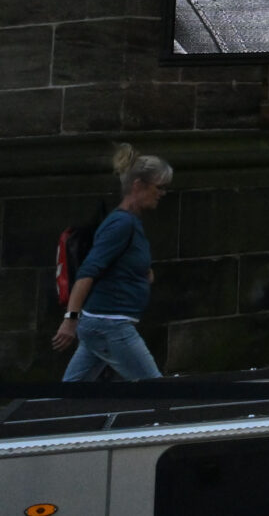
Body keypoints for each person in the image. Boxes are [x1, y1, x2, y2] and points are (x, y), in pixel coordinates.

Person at [55, 146, 174, 381]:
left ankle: (45, 416)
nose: (162, 193)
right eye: (159, 187)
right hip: (110, 325)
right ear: (138, 185)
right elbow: (87, 272)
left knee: (70, 393)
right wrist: (70, 320)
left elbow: (120, 264)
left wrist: (143, 274)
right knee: (156, 389)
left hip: (102, 324)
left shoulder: (129, 223)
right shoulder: (121, 224)